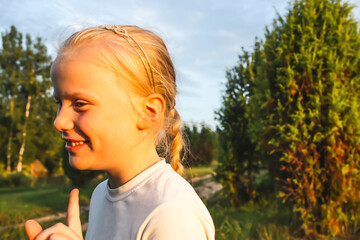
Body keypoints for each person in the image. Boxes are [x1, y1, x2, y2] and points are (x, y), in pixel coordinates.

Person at [24, 25, 215, 240]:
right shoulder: (100, 196)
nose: (59, 121)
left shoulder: (171, 216)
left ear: (148, 112)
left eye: (79, 104)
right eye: (60, 103)